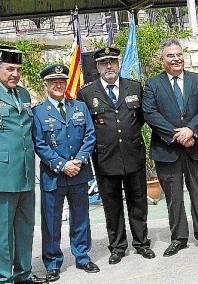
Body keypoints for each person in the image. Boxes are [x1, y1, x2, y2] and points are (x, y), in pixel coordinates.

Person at [77, 47, 155, 264]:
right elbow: (86, 127)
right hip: (104, 158)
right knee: (112, 205)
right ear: (97, 67)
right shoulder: (86, 93)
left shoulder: (134, 87)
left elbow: (139, 119)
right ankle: (118, 247)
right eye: (104, 63)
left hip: (133, 154)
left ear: (118, 64)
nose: (109, 66)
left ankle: (141, 243)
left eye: (112, 61)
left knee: (138, 202)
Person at [143, 39, 198, 257]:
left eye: (178, 54)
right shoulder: (152, 84)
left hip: (196, 147)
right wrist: (177, 135)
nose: (176, 59)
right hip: (167, 151)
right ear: (162, 60)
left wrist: (191, 130)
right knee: (174, 197)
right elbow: (150, 113)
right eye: (170, 56)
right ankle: (179, 238)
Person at [32, 64, 99, 282]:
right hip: (54, 176)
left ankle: (82, 256)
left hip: (79, 172)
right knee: (51, 222)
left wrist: (78, 160)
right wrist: (62, 165)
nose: (58, 85)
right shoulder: (39, 112)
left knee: (81, 217)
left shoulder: (79, 107)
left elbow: (90, 135)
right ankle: (52, 263)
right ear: (46, 86)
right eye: (53, 82)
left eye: (61, 81)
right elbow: (40, 144)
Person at [0, 46, 46, 284]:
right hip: (3, 174)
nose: (14, 74)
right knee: (3, 233)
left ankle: (24, 273)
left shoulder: (25, 95)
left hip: (26, 172)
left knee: (25, 227)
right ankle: (4, 277)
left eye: (18, 69)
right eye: (9, 69)